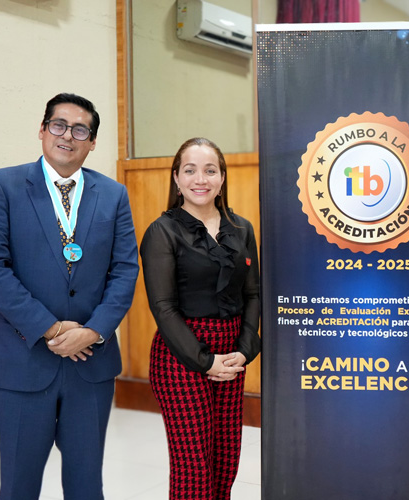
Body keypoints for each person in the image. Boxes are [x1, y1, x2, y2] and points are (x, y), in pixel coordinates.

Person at [0, 92, 139, 499]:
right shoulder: (1, 185)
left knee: (85, 485)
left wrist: (94, 331)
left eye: (81, 130)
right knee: (19, 486)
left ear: (92, 142)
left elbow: (125, 271)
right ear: (43, 131)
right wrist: (52, 327)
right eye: (59, 125)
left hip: (90, 366)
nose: (68, 136)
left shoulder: (113, 194)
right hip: (22, 364)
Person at [140, 137, 261, 500]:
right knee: (193, 466)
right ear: (176, 178)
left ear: (222, 177)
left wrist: (245, 349)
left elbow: (253, 293)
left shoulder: (241, 229)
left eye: (210, 170)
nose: (200, 179)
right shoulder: (162, 231)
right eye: (190, 170)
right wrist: (204, 361)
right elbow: (163, 308)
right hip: (182, 356)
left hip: (231, 354)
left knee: (225, 459)